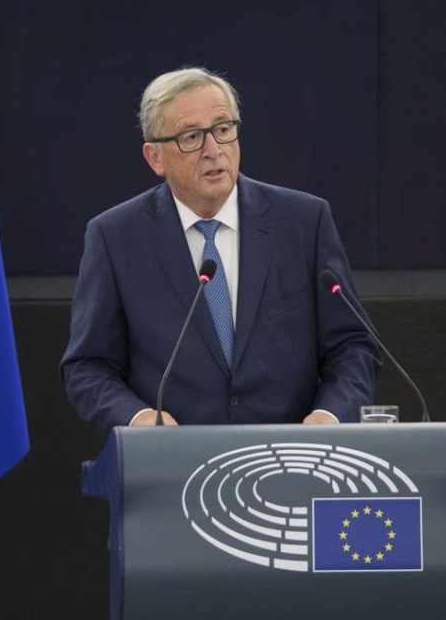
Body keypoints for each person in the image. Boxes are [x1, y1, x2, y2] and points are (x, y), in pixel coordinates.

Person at [61, 67, 379, 439]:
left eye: (223, 129)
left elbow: (352, 345)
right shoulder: (115, 237)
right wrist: (139, 418)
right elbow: (87, 365)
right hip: (174, 460)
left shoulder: (303, 222)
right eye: (191, 137)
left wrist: (329, 415)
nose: (213, 150)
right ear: (155, 157)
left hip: (291, 455)